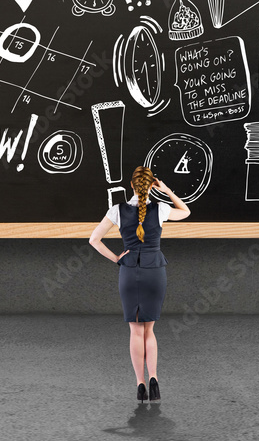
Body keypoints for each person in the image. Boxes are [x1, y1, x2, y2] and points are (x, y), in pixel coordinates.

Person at [89, 166, 190, 404]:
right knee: (149, 331)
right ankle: (154, 378)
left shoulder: (117, 210)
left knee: (135, 331)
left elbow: (93, 239)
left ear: (132, 185)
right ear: (151, 185)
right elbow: (185, 211)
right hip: (155, 271)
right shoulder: (162, 208)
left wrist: (117, 258)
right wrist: (166, 190)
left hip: (129, 271)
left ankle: (140, 384)